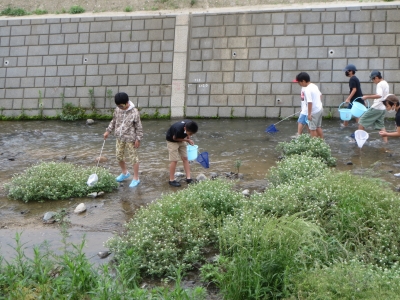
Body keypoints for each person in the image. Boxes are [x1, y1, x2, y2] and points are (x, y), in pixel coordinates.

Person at [103, 92, 143, 187]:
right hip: (119, 137)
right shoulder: (117, 110)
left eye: (122, 106)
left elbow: (139, 127)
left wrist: (138, 139)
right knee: (119, 156)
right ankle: (125, 173)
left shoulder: (134, 112)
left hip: (131, 139)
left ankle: (136, 178)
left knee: (133, 158)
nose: (120, 107)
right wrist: (108, 131)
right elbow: (114, 121)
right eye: (119, 106)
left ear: (127, 102)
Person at [358, 70, 389, 143]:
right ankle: (386, 143)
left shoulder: (380, 84)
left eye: (373, 79)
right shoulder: (385, 83)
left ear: (376, 78)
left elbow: (379, 95)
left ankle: (359, 142)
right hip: (382, 108)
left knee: (361, 121)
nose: (373, 81)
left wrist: (366, 97)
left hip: (376, 107)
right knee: (381, 126)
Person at [166, 120, 198, 187]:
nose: (191, 135)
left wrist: (188, 138)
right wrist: (187, 140)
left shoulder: (189, 124)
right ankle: (171, 180)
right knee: (174, 160)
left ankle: (188, 178)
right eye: (190, 133)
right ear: (185, 129)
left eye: (192, 134)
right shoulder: (178, 129)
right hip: (172, 140)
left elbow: (187, 134)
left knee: (185, 158)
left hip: (182, 139)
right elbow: (174, 138)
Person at [295, 72, 324, 138]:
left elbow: (310, 102)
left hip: (314, 111)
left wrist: (309, 114)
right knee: (318, 127)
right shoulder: (314, 86)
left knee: (312, 129)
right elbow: (320, 95)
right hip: (319, 109)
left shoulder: (307, 89)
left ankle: (314, 145)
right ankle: (322, 141)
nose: (299, 84)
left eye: (299, 82)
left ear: (303, 81)